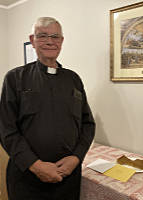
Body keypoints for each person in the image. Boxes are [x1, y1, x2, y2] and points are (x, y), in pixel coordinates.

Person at [0, 17, 95, 200]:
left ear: (62, 41)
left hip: (67, 176)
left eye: (55, 36)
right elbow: (6, 129)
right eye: (42, 36)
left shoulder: (73, 79)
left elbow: (88, 123)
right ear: (33, 40)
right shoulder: (14, 78)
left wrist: (76, 158)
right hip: (27, 177)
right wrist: (35, 165)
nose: (50, 41)